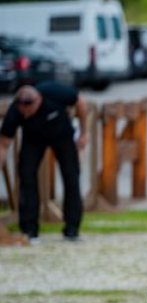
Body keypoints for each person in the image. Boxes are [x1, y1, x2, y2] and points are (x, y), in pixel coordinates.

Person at [0, 83, 88, 242]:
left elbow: (80, 102)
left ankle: (72, 229)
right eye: (22, 110)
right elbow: (4, 144)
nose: (26, 112)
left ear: (38, 99)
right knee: (26, 175)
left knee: (71, 175)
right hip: (33, 140)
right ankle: (29, 230)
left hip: (62, 135)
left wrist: (84, 132)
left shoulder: (54, 92)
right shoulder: (15, 112)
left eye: (29, 109)